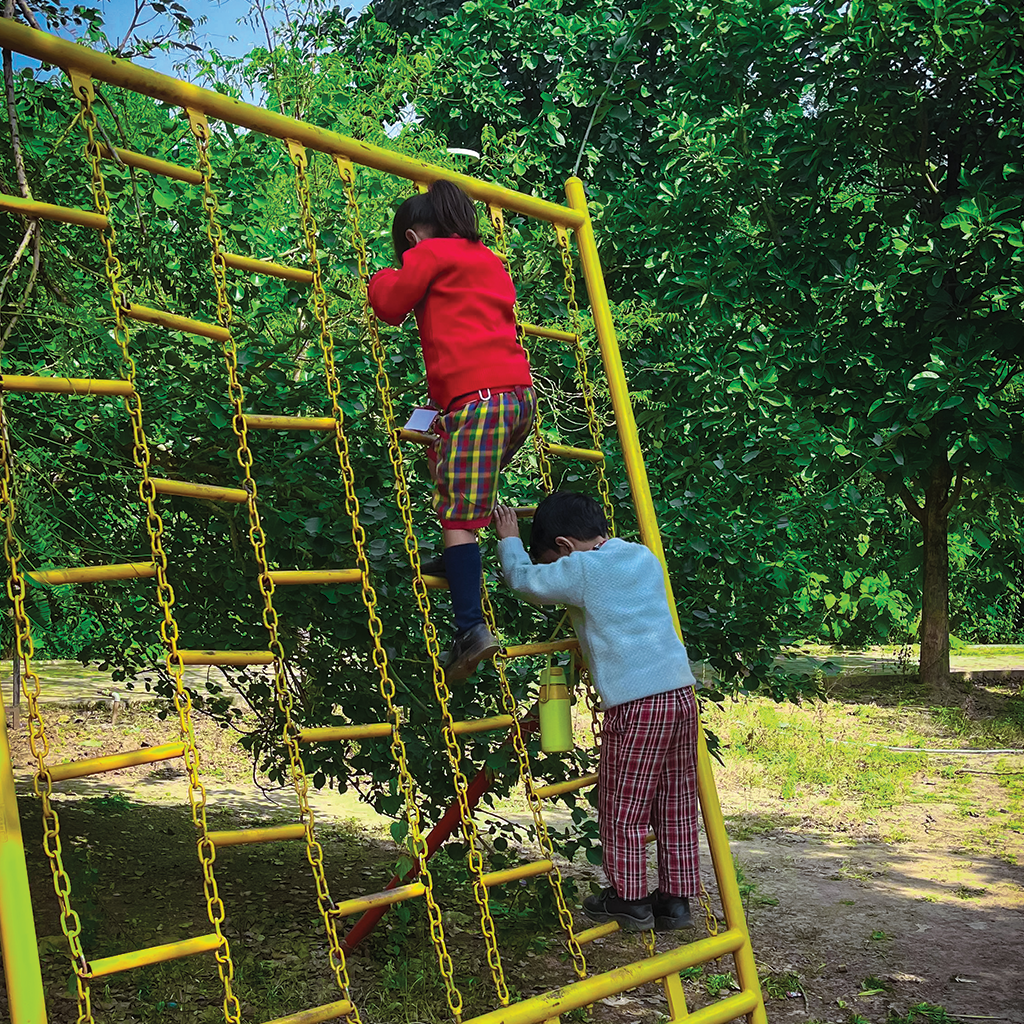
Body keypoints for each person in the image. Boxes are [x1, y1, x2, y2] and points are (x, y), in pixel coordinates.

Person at [494, 492, 699, 932]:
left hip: (637, 702)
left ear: (566, 546)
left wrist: (509, 540)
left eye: (553, 560)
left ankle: (630, 900)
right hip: (681, 694)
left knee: (622, 803)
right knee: (676, 798)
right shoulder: (642, 556)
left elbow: (524, 582)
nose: (555, 571)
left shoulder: (582, 569)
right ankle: (676, 901)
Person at [367, 181, 536, 682]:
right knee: (448, 461)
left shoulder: (428, 254)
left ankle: (470, 629)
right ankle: (457, 561)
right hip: (515, 400)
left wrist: (382, 276)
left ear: (414, 238)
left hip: (479, 401)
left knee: (456, 515)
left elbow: (391, 305)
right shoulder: (486, 258)